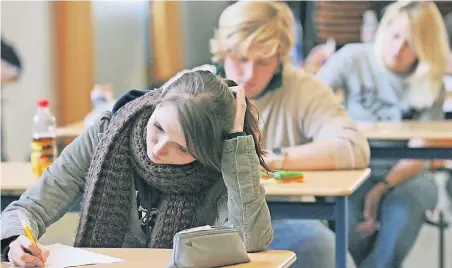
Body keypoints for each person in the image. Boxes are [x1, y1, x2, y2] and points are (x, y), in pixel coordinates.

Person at [113, 1, 370, 267]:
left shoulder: (302, 88)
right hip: (200, 218)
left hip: (283, 215)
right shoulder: (192, 85)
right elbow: (134, 125)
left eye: (263, 62)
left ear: (280, 57)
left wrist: (268, 159)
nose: (249, 73)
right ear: (222, 52)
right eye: (241, 59)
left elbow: (353, 146)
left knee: (324, 249)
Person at [0, 70, 274, 267]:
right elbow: (27, 209)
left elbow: (249, 239)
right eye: (158, 128)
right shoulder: (107, 134)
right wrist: (15, 242)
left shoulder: (218, 164)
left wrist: (237, 143)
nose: (158, 149)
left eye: (182, 149)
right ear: (156, 102)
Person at [317, 1, 450, 267]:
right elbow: (311, 103)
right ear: (384, 29)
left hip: (406, 174)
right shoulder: (353, 57)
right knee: (350, 229)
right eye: (395, 36)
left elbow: (421, 152)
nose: (398, 49)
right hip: (352, 165)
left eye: (411, 43)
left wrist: (381, 189)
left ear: (425, 47)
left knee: (402, 215)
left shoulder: (431, 80)